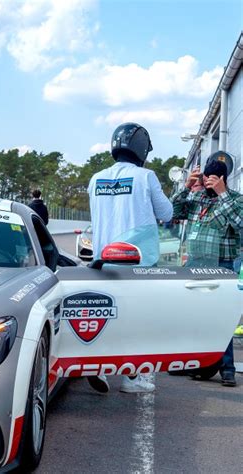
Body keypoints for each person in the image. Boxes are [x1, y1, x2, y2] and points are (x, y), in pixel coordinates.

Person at [87, 122, 173, 394]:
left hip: (102, 261)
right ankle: (132, 379)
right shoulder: (146, 177)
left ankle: (97, 367)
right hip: (137, 263)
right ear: (141, 149)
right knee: (137, 323)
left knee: (106, 317)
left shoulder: (96, 179)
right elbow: (167, 213)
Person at [171, 154, 242, 387]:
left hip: (222, 265)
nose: (208, 182)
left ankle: (227, 369)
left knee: (220, 318)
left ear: (222, 178)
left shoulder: (235, 199)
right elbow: (173, 212)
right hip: (194, 263)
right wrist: (186, 187)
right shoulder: (198, 197)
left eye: (213, 178)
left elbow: (240, 223)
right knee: (192, 316)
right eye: (206, 177)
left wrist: (222, 193)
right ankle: (190, 362)